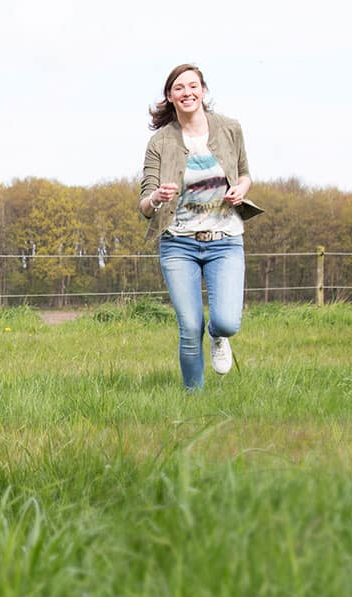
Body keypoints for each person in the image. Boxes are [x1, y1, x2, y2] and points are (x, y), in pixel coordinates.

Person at [138, 63, 258, 391]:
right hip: (178, 243)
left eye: (193, 86)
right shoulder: (160, 142)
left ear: (203, 91)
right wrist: (158, 197)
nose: (187, 92)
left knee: (226, 322)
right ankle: (194, 402)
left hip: (226, 239)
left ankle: (218, 337)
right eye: (179, 88)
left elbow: (245, 174)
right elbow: (144, 204)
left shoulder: (230, 129)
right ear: (170, 96)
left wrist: (241, 190)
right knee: (190, 327)